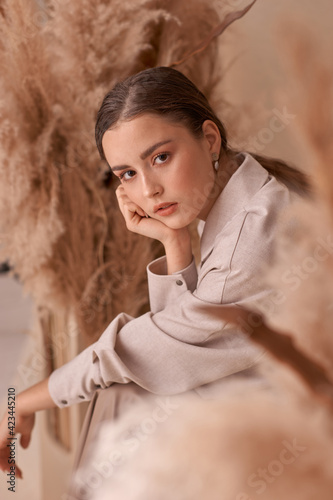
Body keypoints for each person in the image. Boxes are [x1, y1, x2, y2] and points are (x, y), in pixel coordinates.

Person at [0, 66, 308, 485]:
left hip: (298, 426)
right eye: (127, 173)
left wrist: (21, 404)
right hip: (260, 405)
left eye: (160, 157)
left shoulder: (251, 235)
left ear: (210, 139)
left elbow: (146, 354)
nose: (148, 191)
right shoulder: (240, 196)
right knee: (128, 396)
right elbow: (177, 353)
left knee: (123, 394)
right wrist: (174, 244)